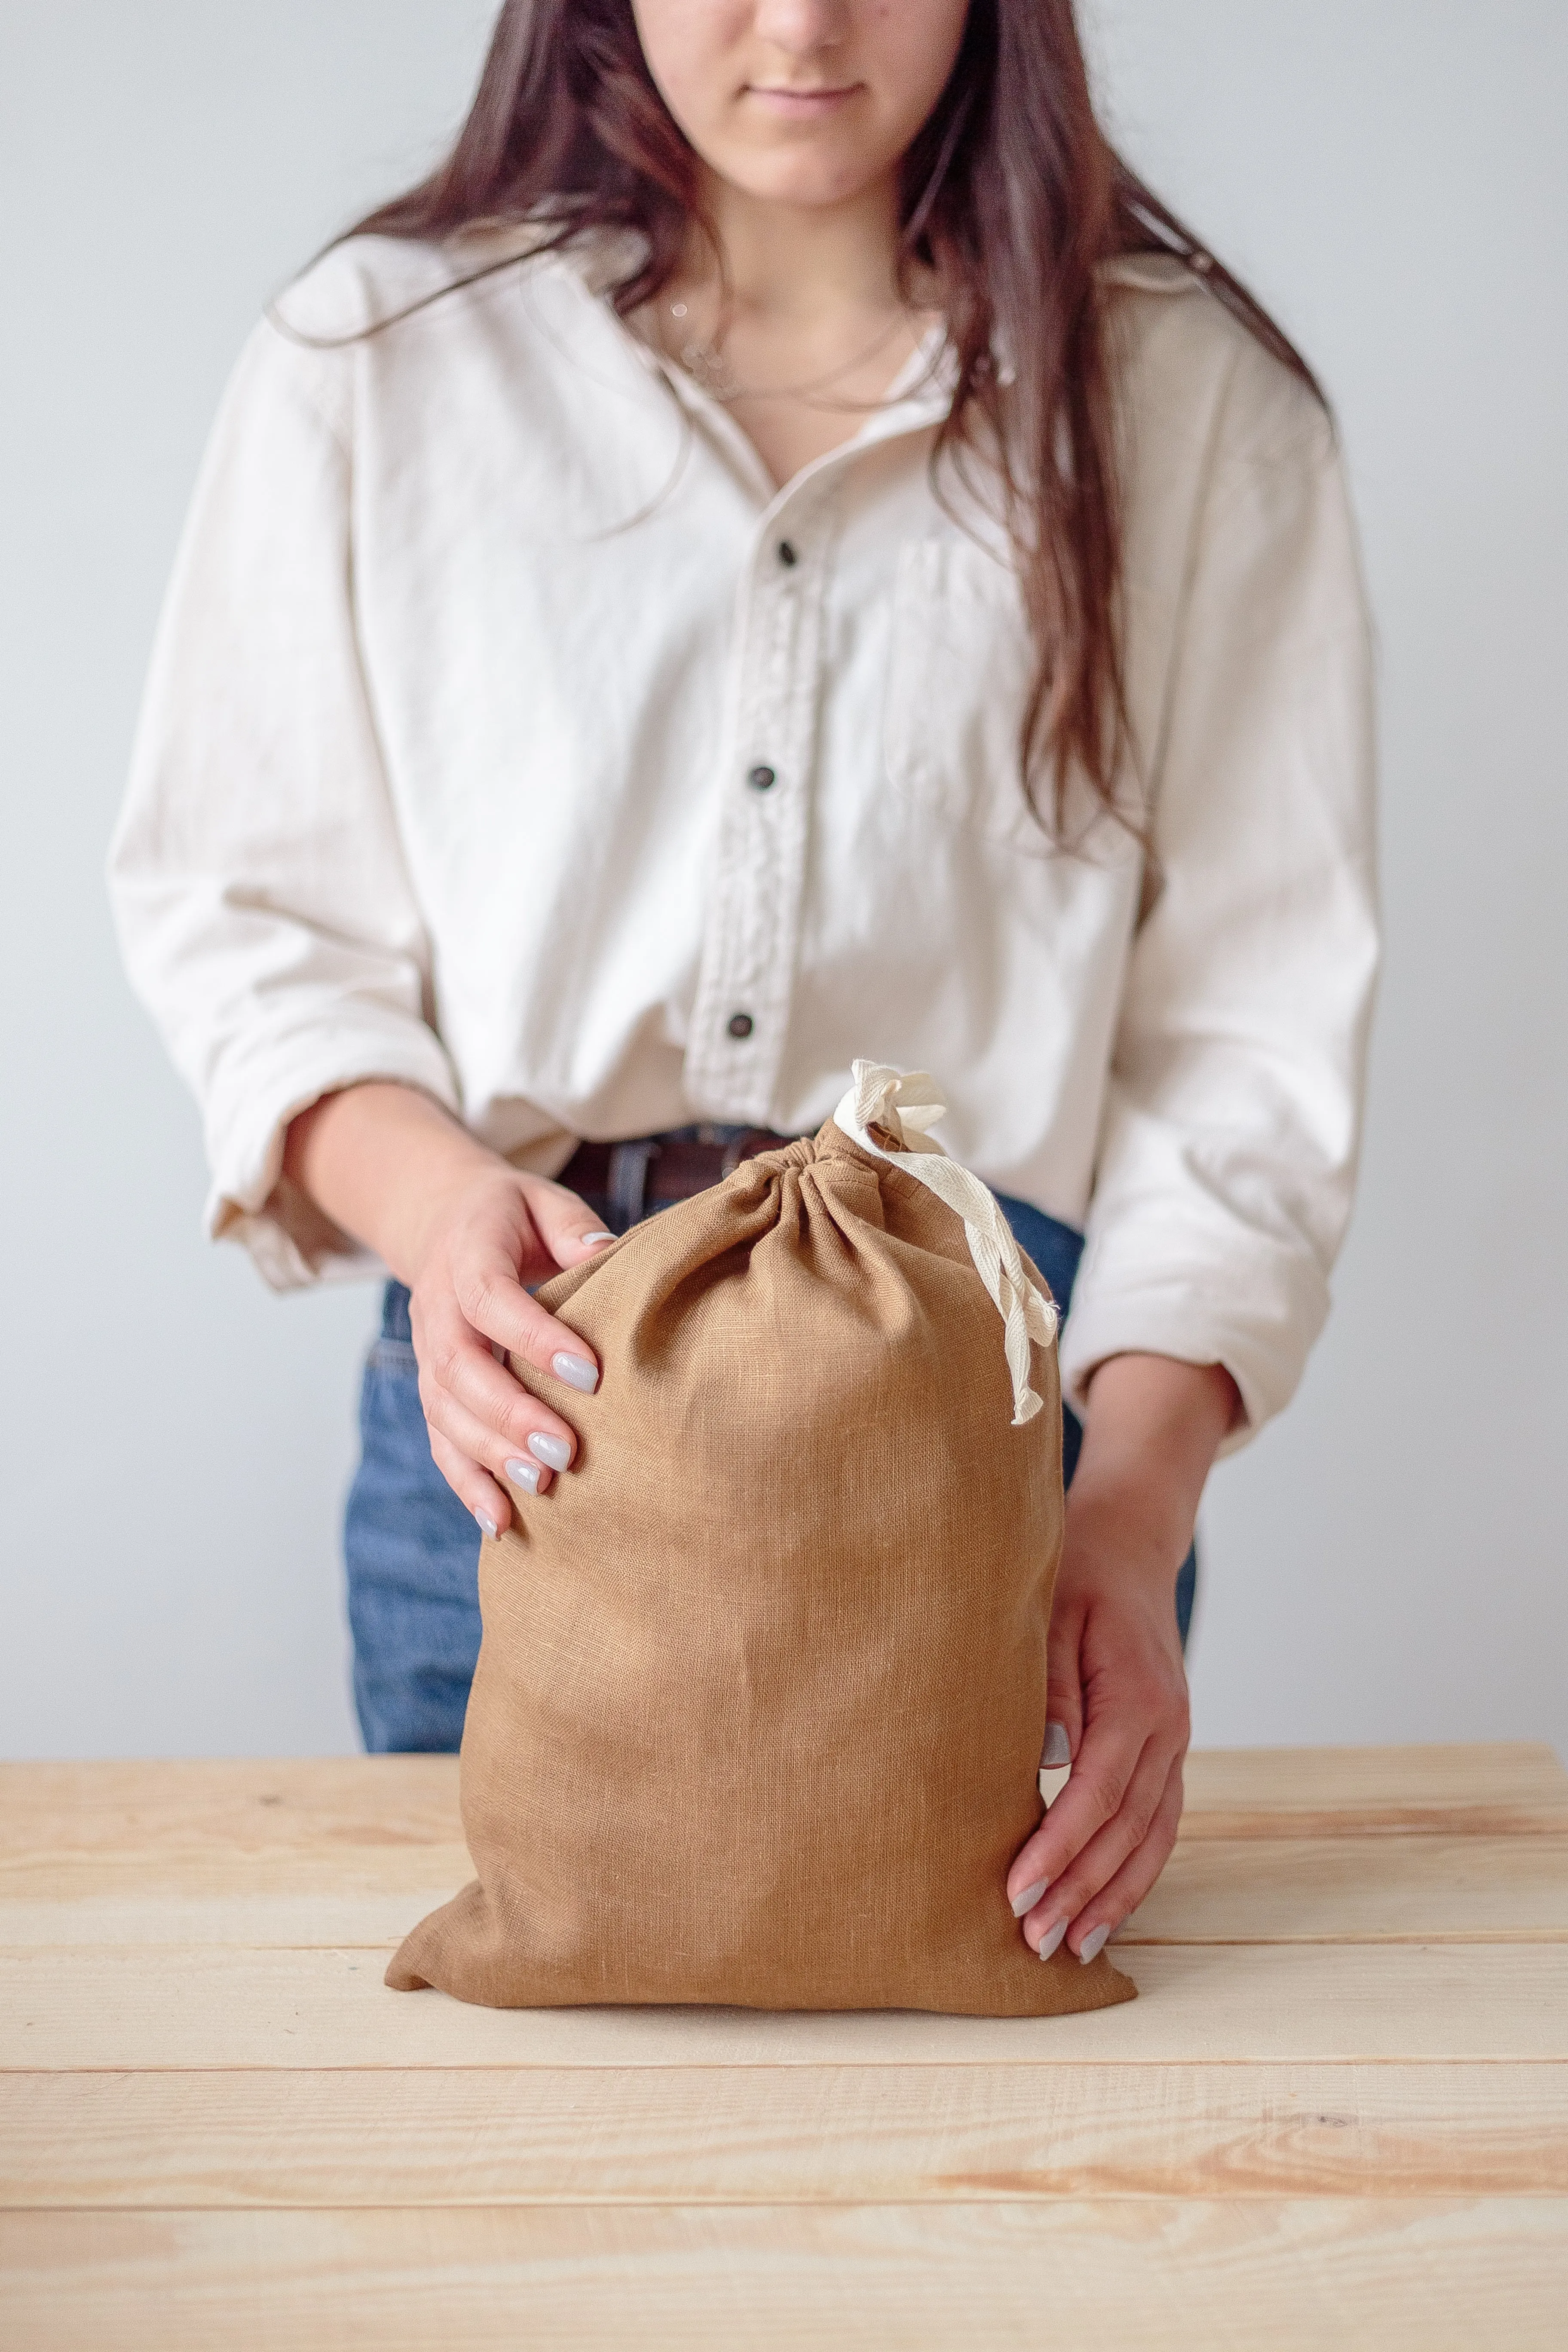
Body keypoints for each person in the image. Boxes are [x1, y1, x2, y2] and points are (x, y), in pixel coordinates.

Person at [110, 0, 1377, 1972]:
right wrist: (444, 1218)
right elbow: (252, 919)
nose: (797, 22)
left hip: (986, 1436)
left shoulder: (1196, 408)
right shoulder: (377, 366)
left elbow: (1249, 1046)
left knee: (978, 2181)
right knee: (520, 2165)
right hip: (531, 1390)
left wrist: (1123, 1514)